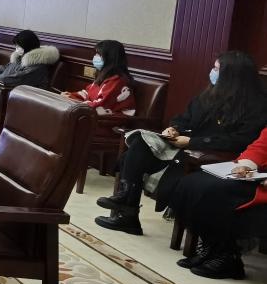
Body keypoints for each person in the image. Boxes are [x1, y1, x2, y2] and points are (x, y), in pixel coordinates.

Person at [95, 51, 267, 235]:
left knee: (139, 155)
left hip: (209, 155)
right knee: (140, 143)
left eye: (217, 69)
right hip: (184, 146)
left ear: (231, 76)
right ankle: (126, 205)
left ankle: (127, 210)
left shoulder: (256, 105)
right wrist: (175, 128)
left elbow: (239, 140)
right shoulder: (210, 94)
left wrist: (193, 142)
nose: (212, 72)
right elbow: (185, 118)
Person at [166, 127, 267, 279]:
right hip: (258, 176)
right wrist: (246, 165)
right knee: (193, 183)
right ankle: (211, 249)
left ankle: (228, 258)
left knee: (216, 191)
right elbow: (261, 147)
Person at [0, 30, 60, 111]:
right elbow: (5, 68)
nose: (16, 49)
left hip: (13, 95)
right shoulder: (20, 58)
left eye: (18, 46)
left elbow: (18, 79)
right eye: (16, 46)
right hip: (2, 89)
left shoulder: (38, 66)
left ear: (27, 45)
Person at [63, 40, 136, 116]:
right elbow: (88, 94)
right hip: (98, 116)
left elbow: (100, 105)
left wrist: (77, 104)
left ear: (109, 58)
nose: (95, 57)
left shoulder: (118, 81)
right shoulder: (104, 76)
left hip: (113, 119)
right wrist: (70, 96)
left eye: (98, 54)